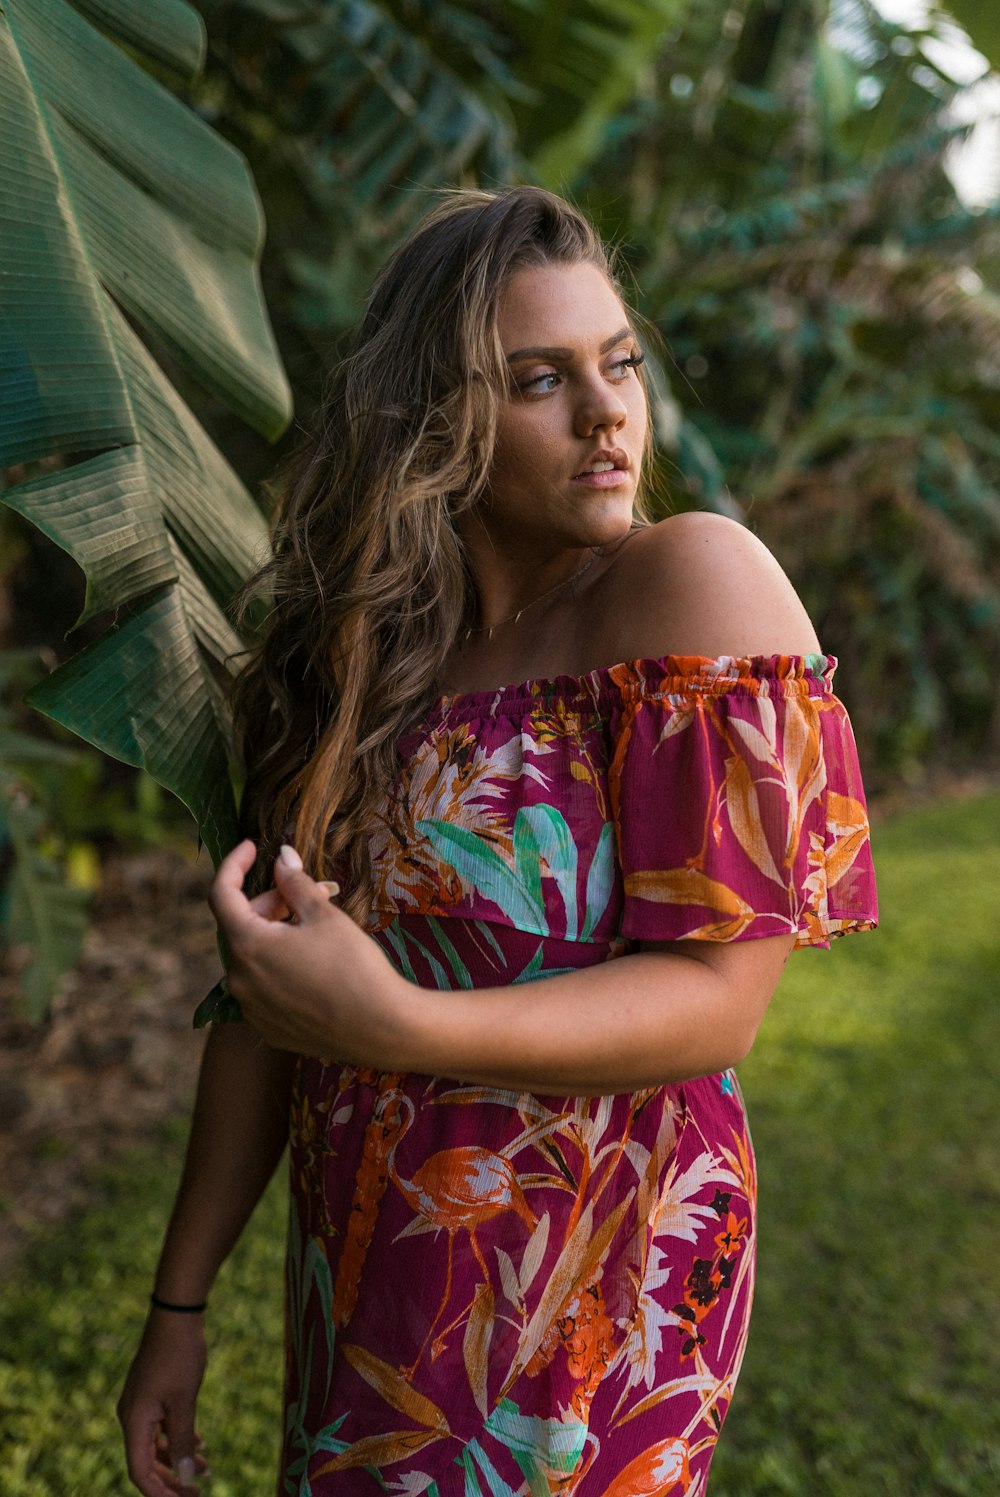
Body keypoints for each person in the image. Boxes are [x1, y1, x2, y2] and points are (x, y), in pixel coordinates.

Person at [117, 186, 877, 1497]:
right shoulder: (361, 662)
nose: (607, 413)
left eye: (618, 362)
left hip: (597, 1278)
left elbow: (717, 1003)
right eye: (540, 379)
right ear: (437, 418)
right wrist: (176, 1305)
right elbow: (261, 1002)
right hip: (374, 1266)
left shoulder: (687, 580)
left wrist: (398, 1025)